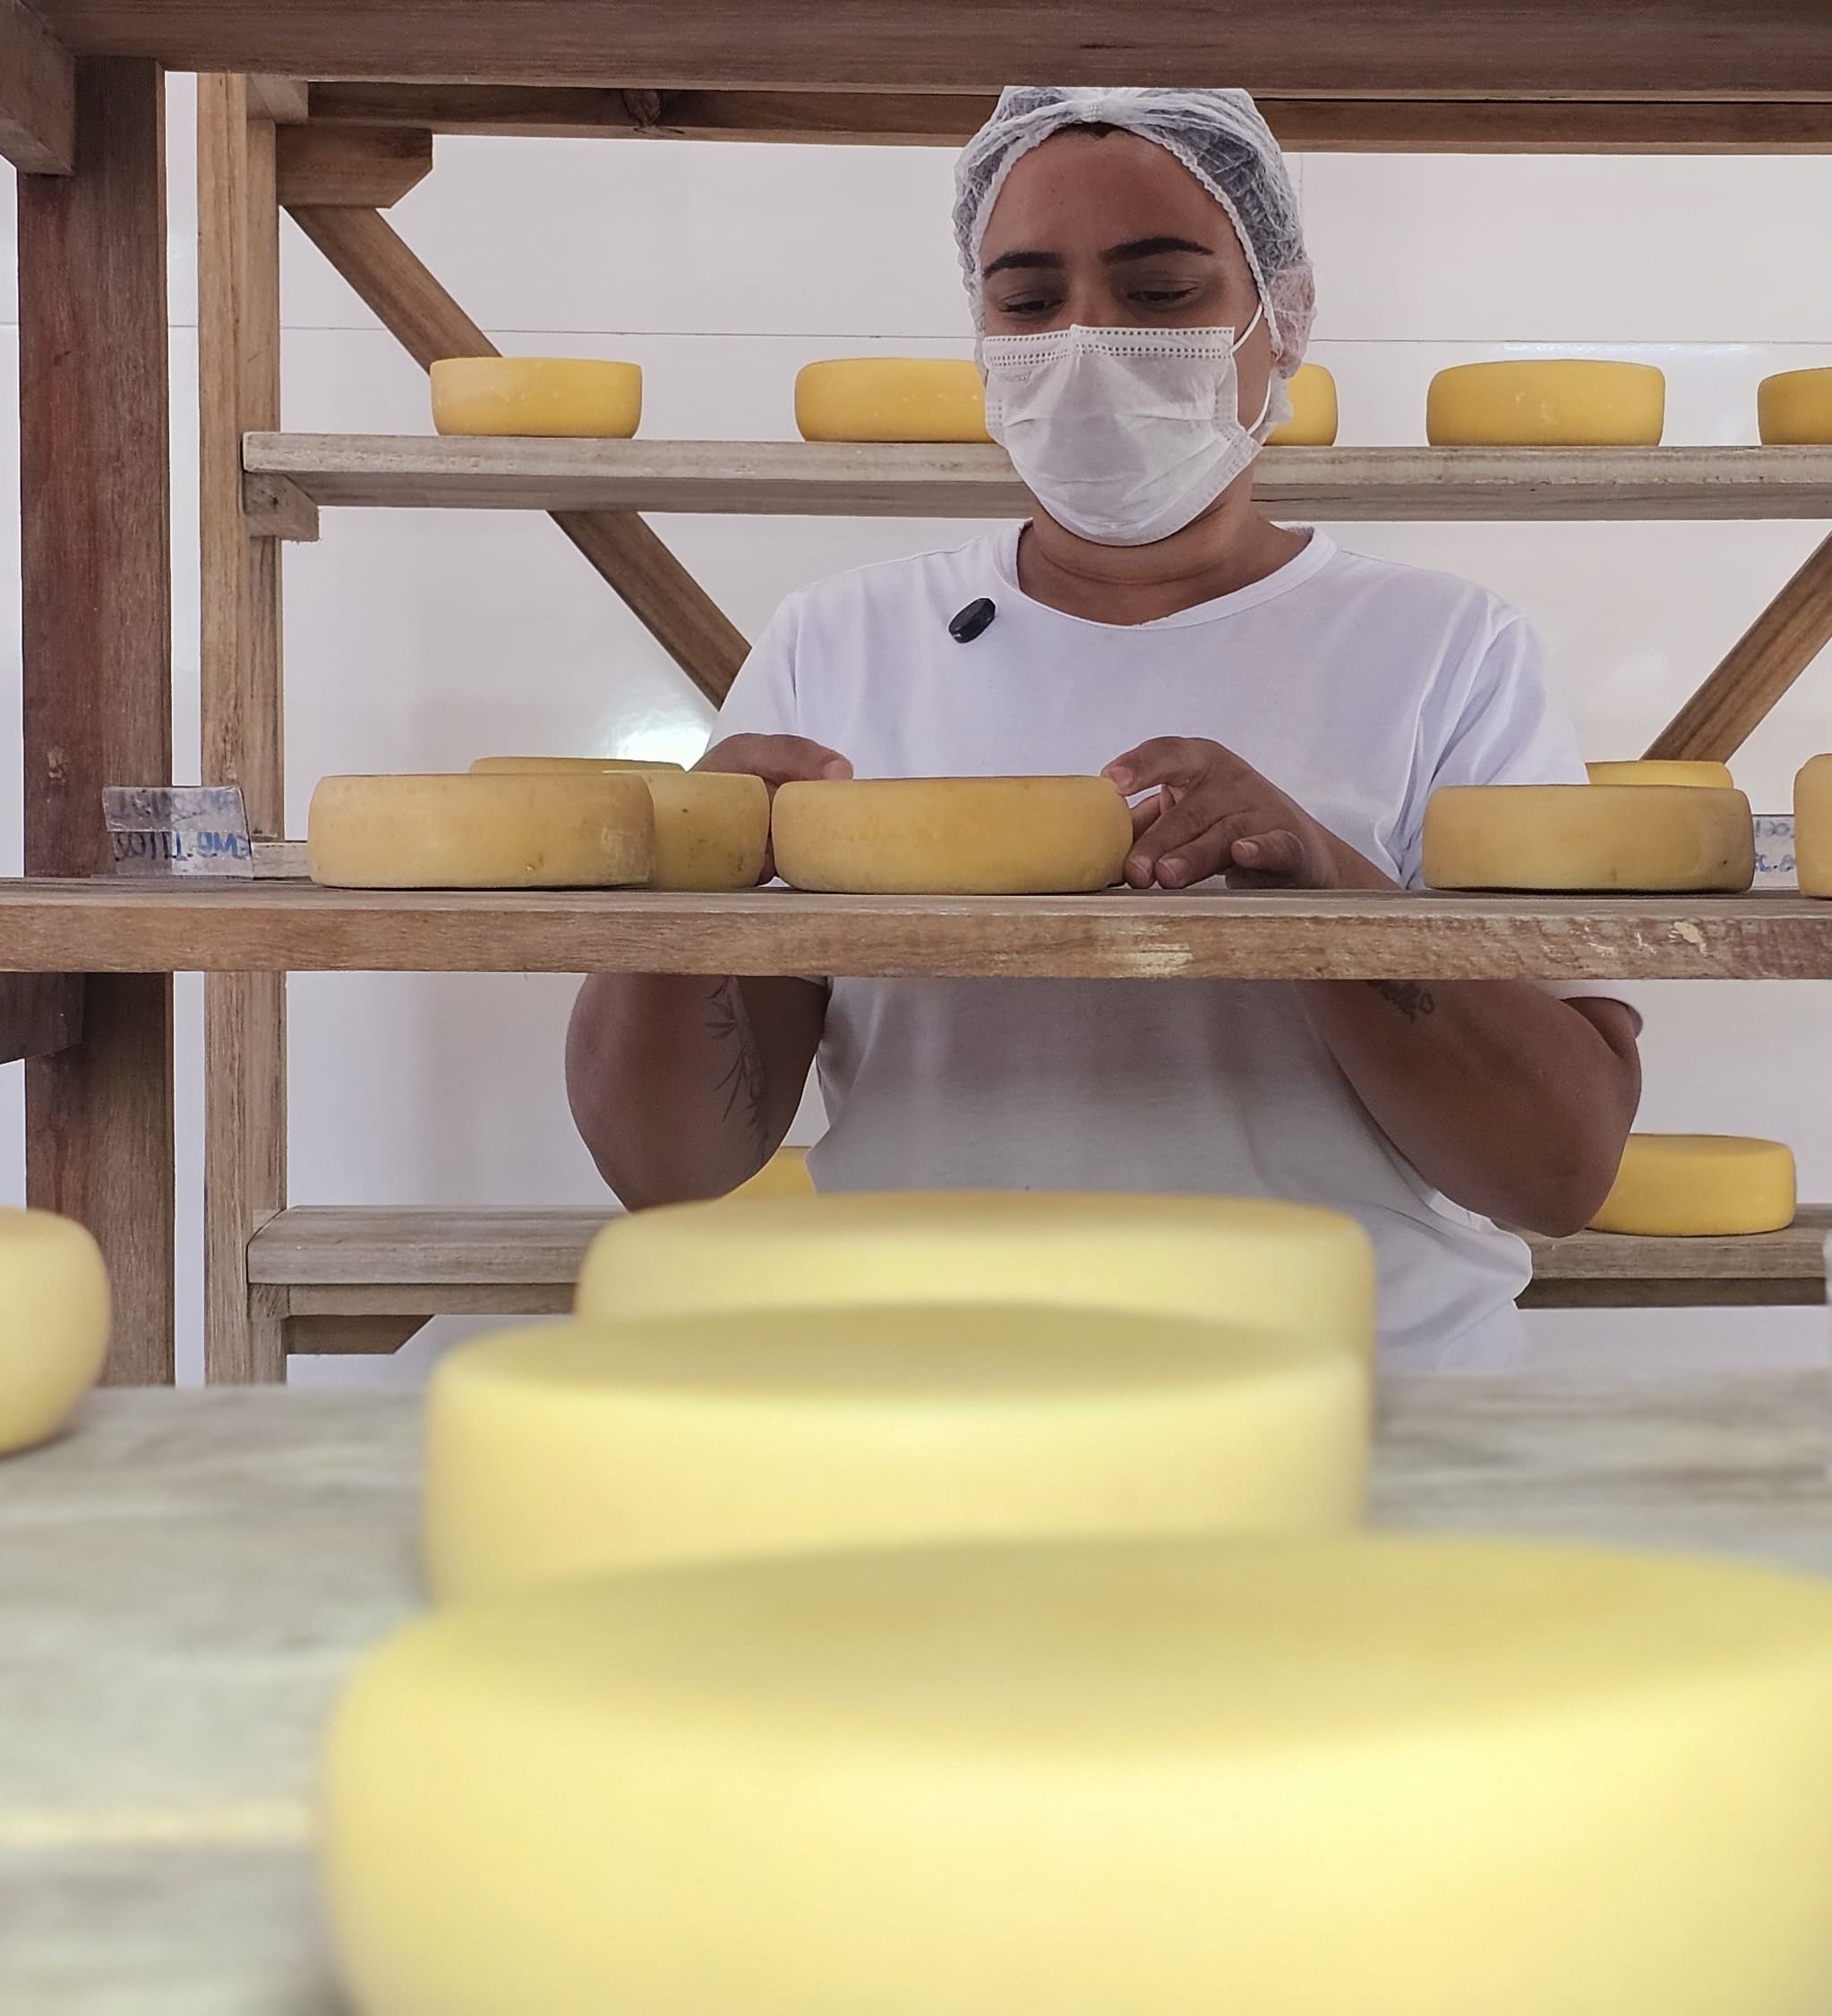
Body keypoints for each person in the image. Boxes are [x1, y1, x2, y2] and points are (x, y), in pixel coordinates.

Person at [566, 86, 1639, 1367]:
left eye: (1160, 291)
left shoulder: (1443, 648)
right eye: (1027, 303)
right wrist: (686, 895)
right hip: (949, 1400)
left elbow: (1558, 1171)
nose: (1083, 341)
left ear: (1281, 316)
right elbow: (667, 1168)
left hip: (1354, 1403)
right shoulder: (841, 642)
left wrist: (1325, 893)